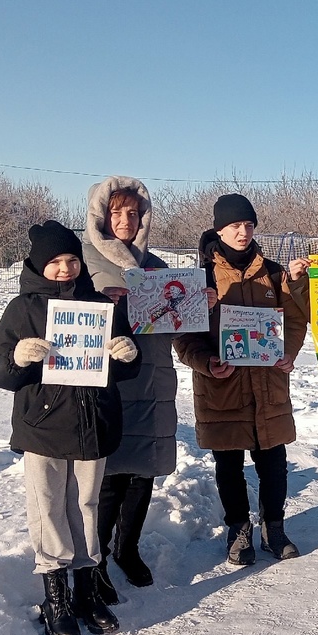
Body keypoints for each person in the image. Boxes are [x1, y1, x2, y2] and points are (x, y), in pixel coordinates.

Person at [0, 220, 140, 635]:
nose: (65, 268)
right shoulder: (23, 309)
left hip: (94, 425)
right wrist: (17, 358)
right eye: (55, 262)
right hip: (44, 428)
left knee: (87, 506)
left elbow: (127, 365)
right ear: (39, 265)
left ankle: (88, 590)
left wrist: (127, 353)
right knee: (49, 505)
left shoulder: (99, 305)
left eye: (71, 259)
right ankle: (56, 598)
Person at [174, 194, 310, 566]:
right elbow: (183, 337)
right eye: (235, 225)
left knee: (273, 460)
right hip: (223, 385)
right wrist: (206, 362)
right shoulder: (200, 278)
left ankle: (274, 527)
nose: (243, 232)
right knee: (229, 463)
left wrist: (289, 352)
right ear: (219, 229)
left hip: (268, 385)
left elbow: (296, 318)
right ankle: (238, 528)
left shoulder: (273, 272)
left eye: (249, 225)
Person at [82, 176, 190, 602]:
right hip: (109, 380)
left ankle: (127, 548)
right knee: (109, 475)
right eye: (116, 212)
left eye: (133, 213)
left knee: (143, 471)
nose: (126, 220)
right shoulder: (84, 262)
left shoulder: (157, 268)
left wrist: (199, 306)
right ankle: (98, 559)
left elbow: (179, 325)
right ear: (100, 216)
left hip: (154, 376)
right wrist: (100, 303)